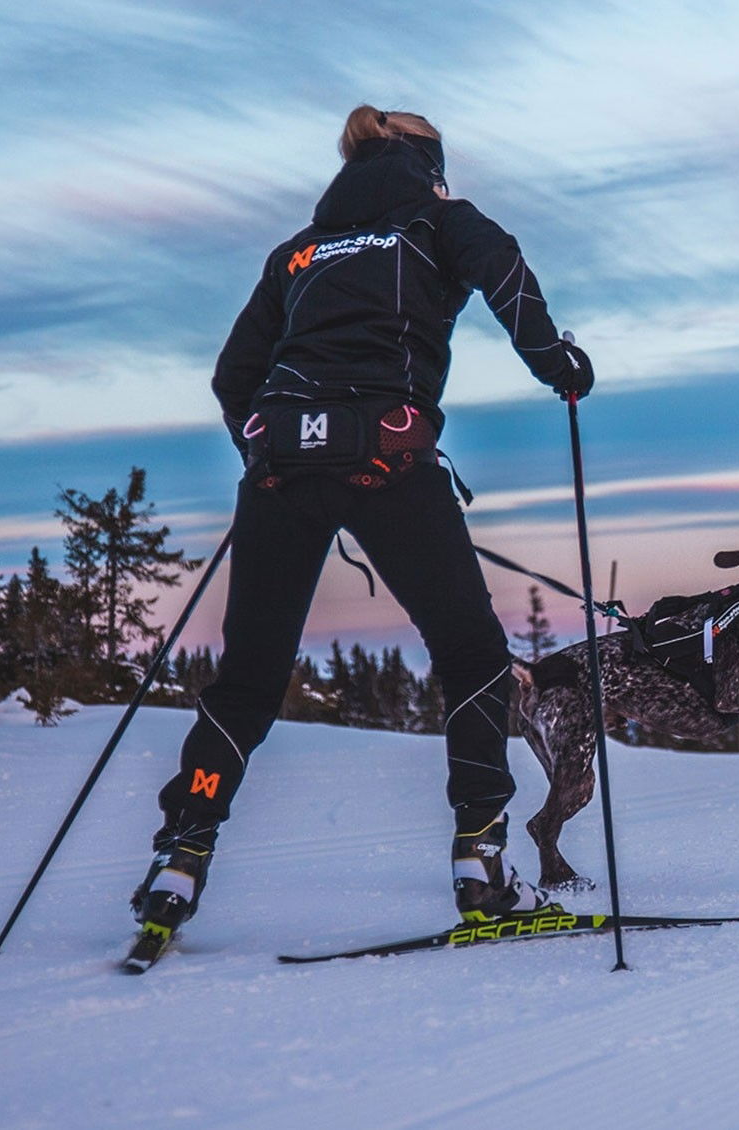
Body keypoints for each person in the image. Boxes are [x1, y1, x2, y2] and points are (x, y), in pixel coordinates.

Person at [130, 105, 593, 942]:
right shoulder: (439, 221)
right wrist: (557, 362)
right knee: (473, 656)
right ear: (428, 162)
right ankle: (480, 857)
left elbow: (235, 373)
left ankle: (180, 853)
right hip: (388, 458)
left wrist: (267, 452)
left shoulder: (298, 251)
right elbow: (506, 273)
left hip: (281, 472)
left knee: (247, 682)